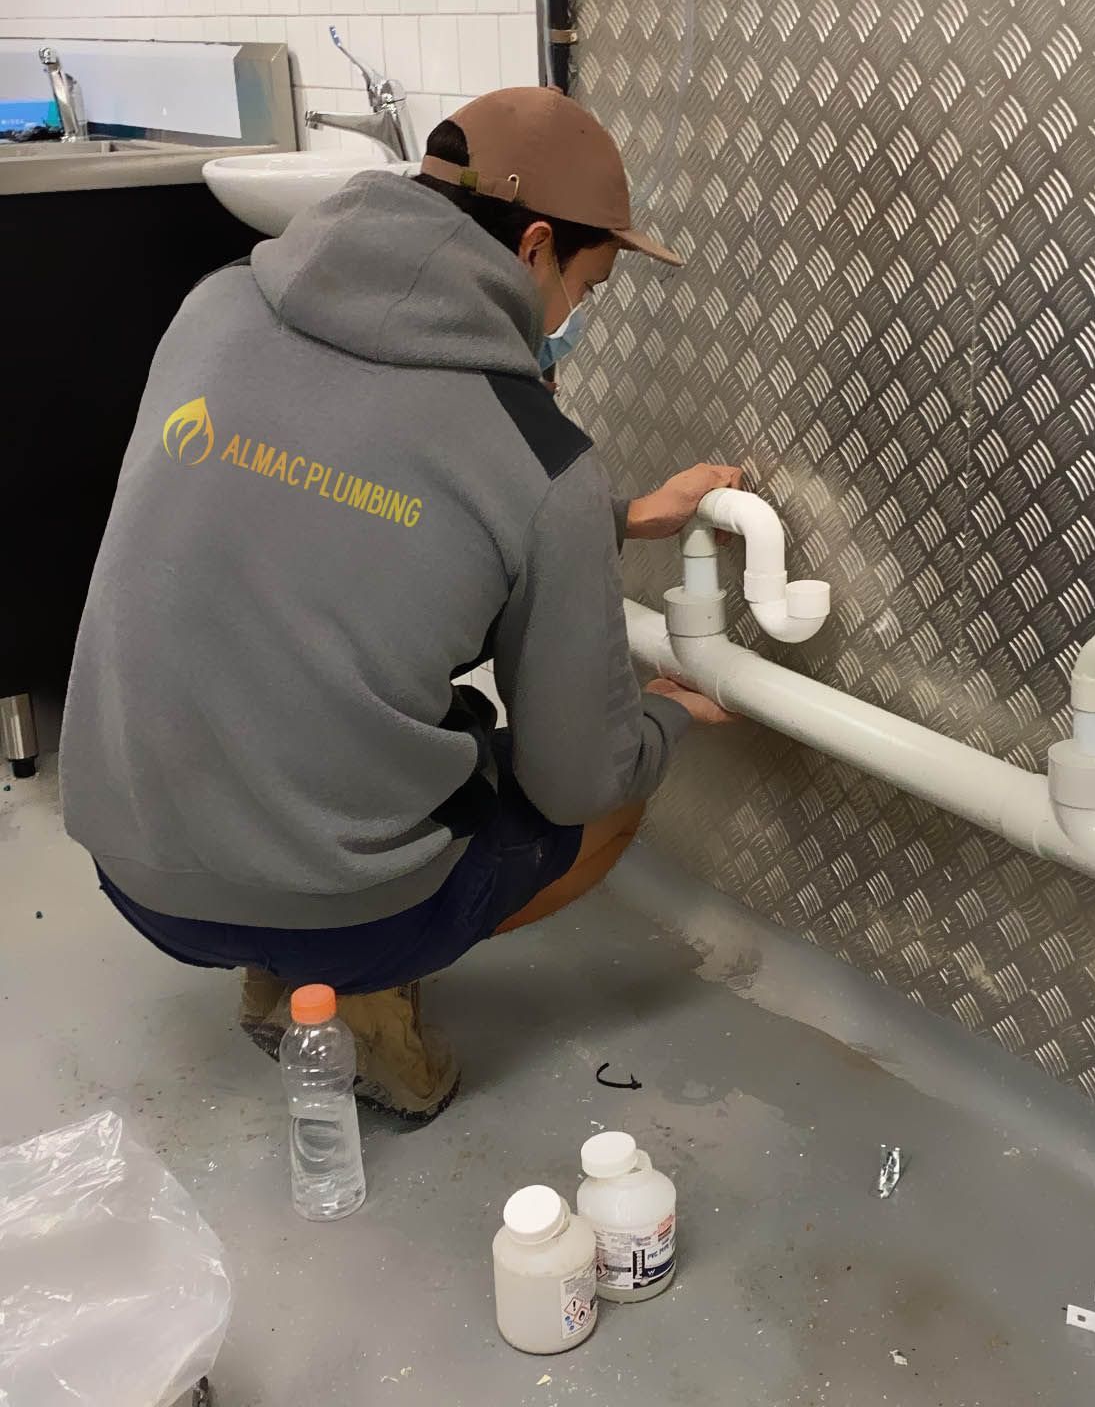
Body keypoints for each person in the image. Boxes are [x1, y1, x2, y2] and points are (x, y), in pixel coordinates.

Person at [60, 87, 737, 1123]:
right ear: (537, 246)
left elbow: (359, 493)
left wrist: (624, 516)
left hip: (127, 859)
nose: (571, 320)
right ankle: (357, 990)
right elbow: (573, 777)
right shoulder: (536, 456)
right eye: (586, 289)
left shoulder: (219, 303)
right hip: (338, 906)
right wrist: (668, 718)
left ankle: (280, 971)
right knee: (609, 790)